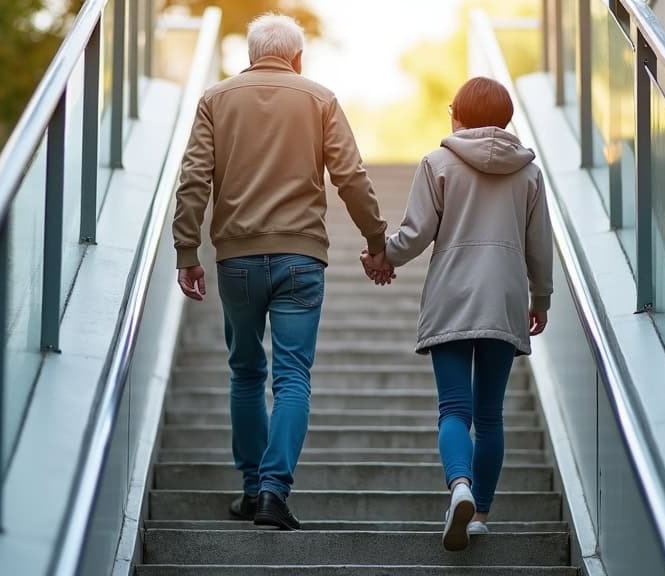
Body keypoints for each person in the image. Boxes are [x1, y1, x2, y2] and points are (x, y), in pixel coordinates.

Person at [172, 13, 387, 530]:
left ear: (251, 55)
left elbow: (194, 178)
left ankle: (251, 490)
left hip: (237, 259)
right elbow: (351, 176)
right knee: (292, 378)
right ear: (297, 57)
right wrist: (377, 240)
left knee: (246, 372)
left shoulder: (215, 100)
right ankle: (274, 492)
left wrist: (186, 250)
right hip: (300, 258)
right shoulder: (320, 99)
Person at [363, 77, 553, 551]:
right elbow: (539, 246)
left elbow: (416, 233)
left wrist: (383, 257)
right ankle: (480, 514)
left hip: (452, 297)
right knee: (489, 417)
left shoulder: (438, 163)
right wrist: (541, 298)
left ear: (459, 115)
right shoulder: (528, 174)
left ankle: (460, 487)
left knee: (453, 408)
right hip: (504, 299)